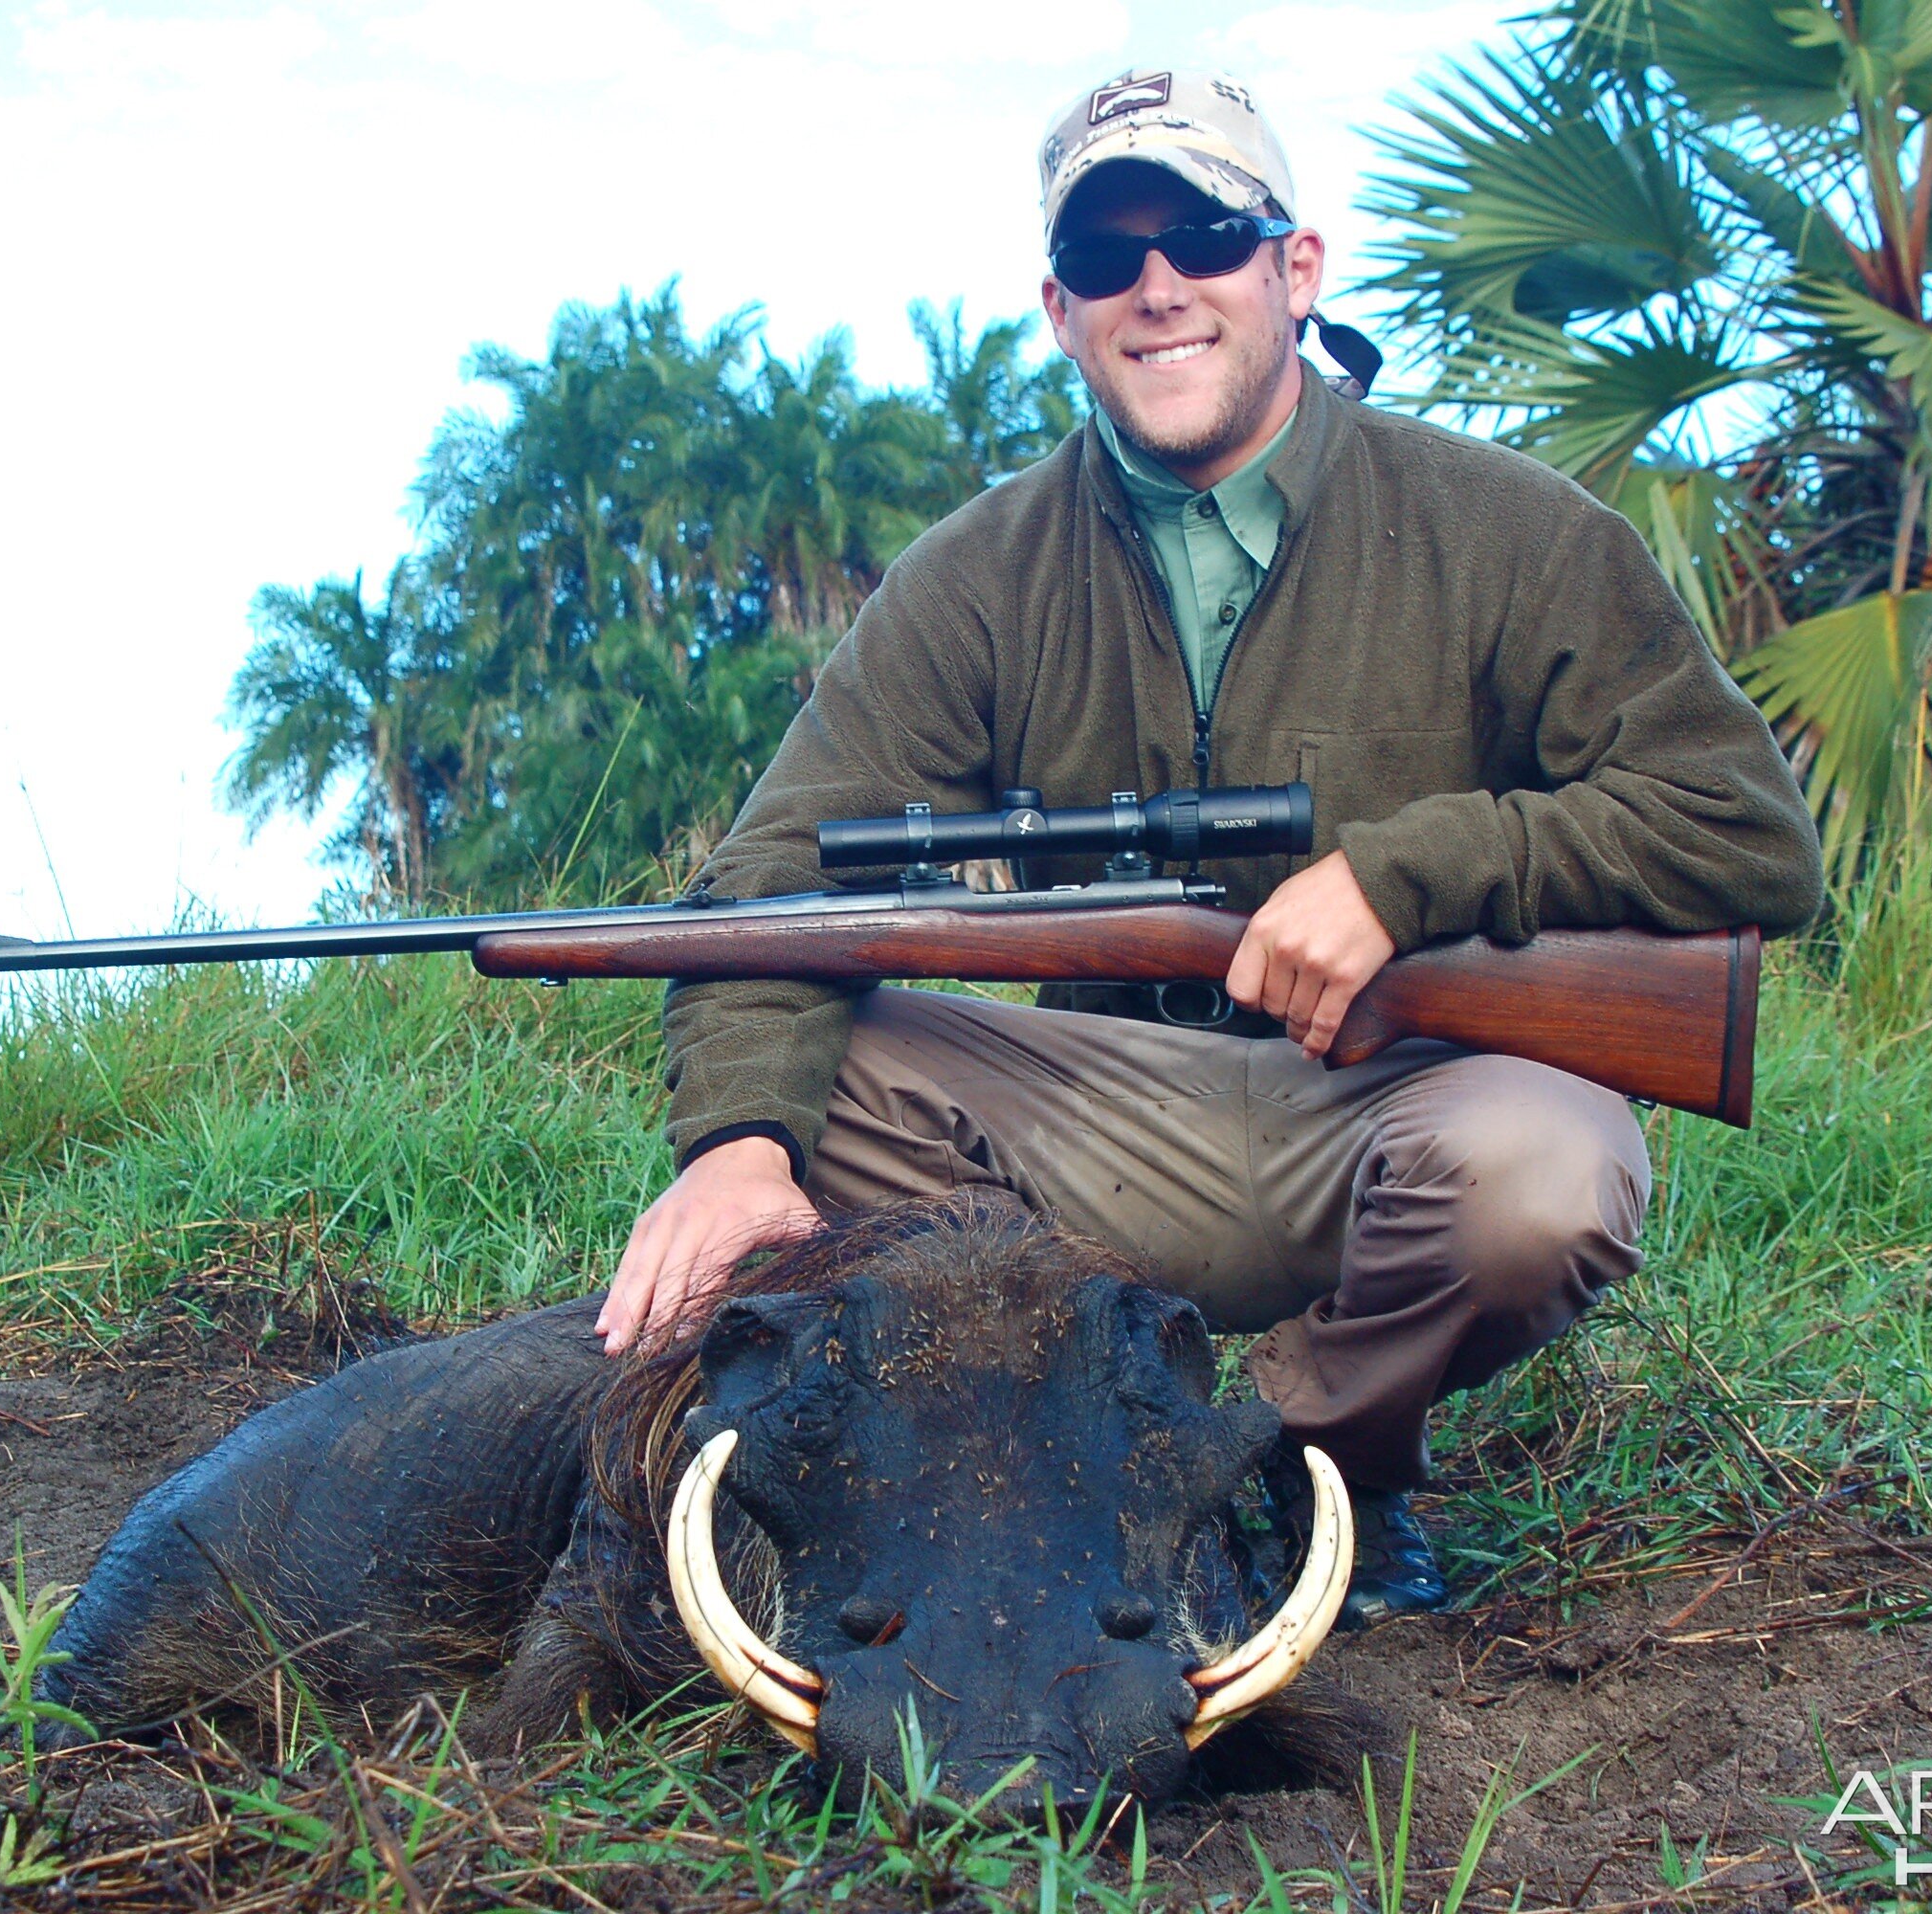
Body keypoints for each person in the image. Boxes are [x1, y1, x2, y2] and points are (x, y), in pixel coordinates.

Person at [600, 67, 1824, 1627]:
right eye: (1110, 258)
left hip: (1400, 1095)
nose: (1160, 286)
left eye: (1206, 236)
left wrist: (1406, 878)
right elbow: (766, 891)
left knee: (1545, 1170)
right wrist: (737, 1153)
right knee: (812, 1082)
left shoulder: (1506, 529)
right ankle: (1061, 1429)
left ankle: (1301, 1461)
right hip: (1103, 1133)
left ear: (1294, 271)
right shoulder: (976, 574)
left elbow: (1746, 837)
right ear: (1061, 307)